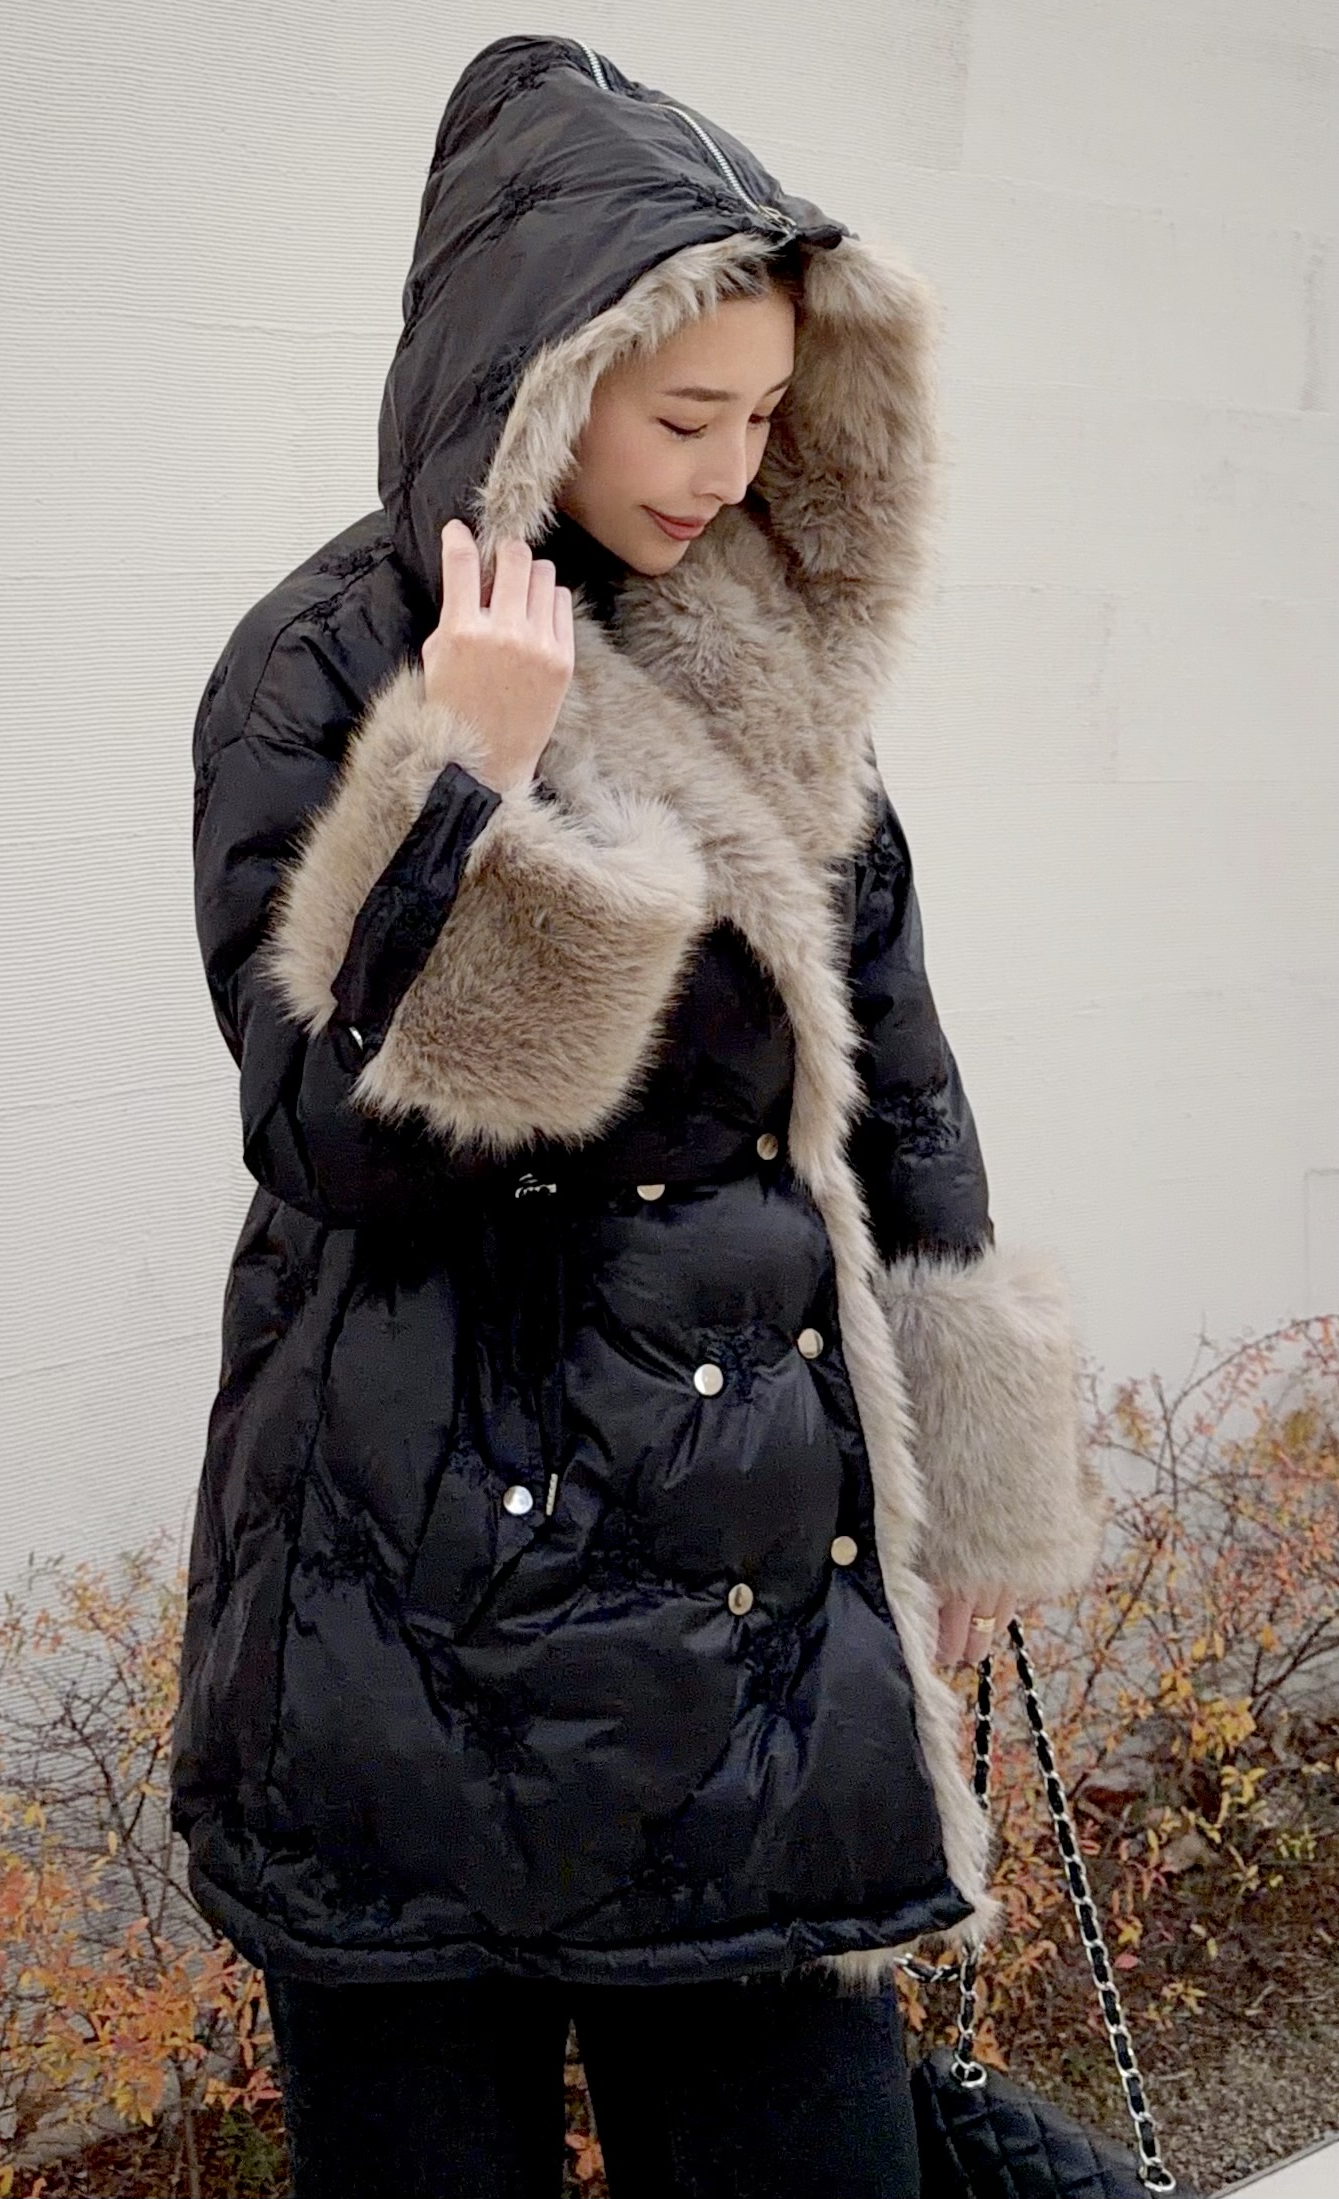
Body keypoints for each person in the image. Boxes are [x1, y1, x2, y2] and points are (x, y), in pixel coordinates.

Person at [170, 33, 1109, 2198]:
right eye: (685, 417)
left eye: (767, 416)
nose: (729, 468)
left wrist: (965, 1465)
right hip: (405, 1623)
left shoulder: (760, 652)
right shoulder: (321, 668)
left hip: (742, 1620)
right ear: (546, 381)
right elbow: (328, 1136)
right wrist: (466, 782)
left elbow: (892, 1071)